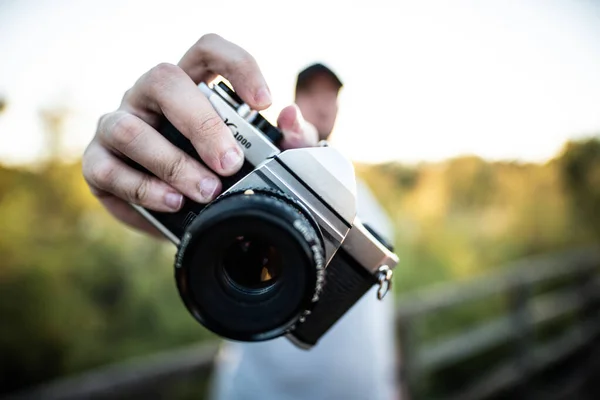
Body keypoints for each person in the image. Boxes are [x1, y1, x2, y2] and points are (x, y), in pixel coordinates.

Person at [82, 34, 397, 399]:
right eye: (313, 93)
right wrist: (145, 154)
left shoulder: (360, 195)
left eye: (332, 97)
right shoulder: (229, 157)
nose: (324, 105)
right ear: (296, 101)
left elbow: (379, 311)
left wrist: (395, 382)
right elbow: (210, 244)